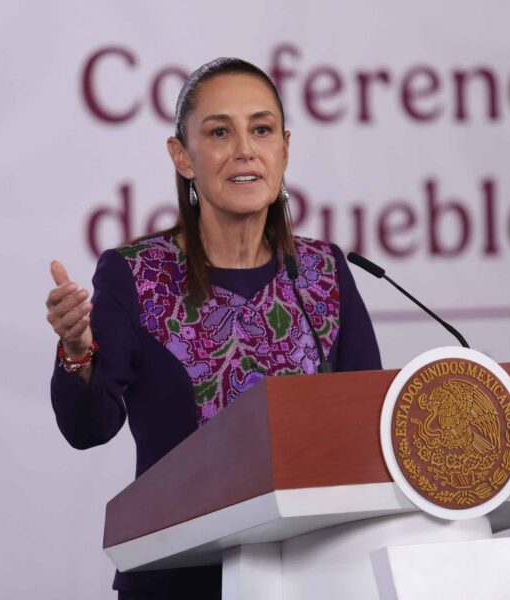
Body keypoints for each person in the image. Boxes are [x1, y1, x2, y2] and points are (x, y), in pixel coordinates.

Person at [46, 57, 381, 599]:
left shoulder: (323, 272)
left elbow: (366, 428)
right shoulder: (137, 274)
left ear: (285, 149)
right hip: (179, 579)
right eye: (220, 132)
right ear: (182, 156)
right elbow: (89, 429)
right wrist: (78, 350)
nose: (245, 149)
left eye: (262, 130)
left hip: (313, 576)